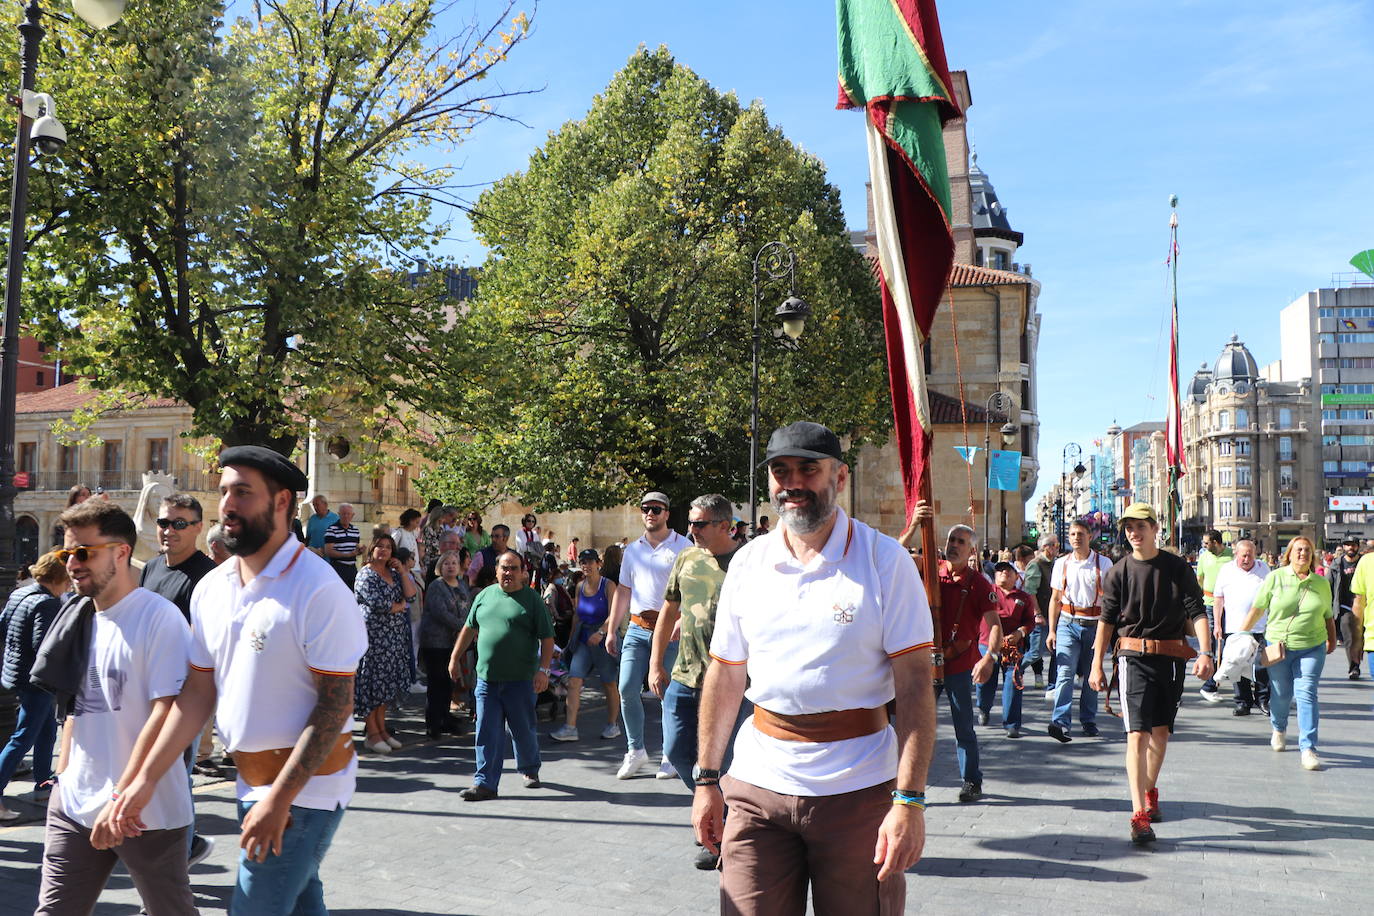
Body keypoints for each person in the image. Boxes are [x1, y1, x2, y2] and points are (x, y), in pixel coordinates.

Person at [110, 445, 367, 916]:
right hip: (250, 782)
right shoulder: (213, 587)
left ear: (283, 502)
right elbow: (197, 693)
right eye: (224, 490)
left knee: (254, 907)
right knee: (300, 902)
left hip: (308, 788)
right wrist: (145, 779)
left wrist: (278, 801)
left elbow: (335, 706)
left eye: (243, 493)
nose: (227, 504)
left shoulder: (320, 589)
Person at [693, 421, 935, 913]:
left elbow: (914, 687)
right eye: (780, 472)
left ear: (839, 478)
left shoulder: (885, 561)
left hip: (860, 792)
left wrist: (909, 801)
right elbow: (726, 673)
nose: (793, 483)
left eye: (808, 468)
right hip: (757, 788)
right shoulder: (747, 563)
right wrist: (706, 779)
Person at [35, 500, 196, 913]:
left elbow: (168, 714)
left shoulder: (159, 618)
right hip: (74, 804)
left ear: (121, 552)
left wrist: (123, 796)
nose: (72, 563)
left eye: (84, 552)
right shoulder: (79, 616)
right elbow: (75, 704)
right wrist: (62, 777)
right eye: (65, 553)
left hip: (146, 813)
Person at [1088, 502, 1213, 846]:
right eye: (1128, 527)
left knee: (1161, 734)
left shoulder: (1177, 568)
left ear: (1155, 528)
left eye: (1141, 525)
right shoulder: (1118, 572)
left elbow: (1197, 611)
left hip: (1172, 658)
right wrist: (1096, 663)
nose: (1134, 532)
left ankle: (1149, 790)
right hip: (1132, 657)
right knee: (1137, 735)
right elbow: (1106, 622)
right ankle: (1138, 813)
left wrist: (1205, 651)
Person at [649, 493, 750, 870]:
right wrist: (655, 663)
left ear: (726, 526)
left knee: (722, 764)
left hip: (731, 682)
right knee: (676, 752)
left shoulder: (747, 563)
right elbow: (669, 609)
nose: (691, 530)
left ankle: (720, 837)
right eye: (690, 522)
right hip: (685, 675)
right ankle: (715, 815)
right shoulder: (687, 557)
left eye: (700, 524)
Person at [138, 492, 219, 866]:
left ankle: (179, 857)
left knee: (175, 781)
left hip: (184, 698)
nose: (169, 530)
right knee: (159, 780)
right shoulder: (152, 568)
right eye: (164, 522)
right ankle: (186, 848)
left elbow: (206, 644)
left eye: (179, 524)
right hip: (146, 693)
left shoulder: (208, 577)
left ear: (199, 528)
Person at [448, 550, 554, 801]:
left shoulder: (532, 600)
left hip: (521, 680)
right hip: (487, 680)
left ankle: (529, 768)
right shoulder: (484, 595)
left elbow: (547, 639)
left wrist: (544, 670)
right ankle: (485, 783)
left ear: (522, 572)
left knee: (523, 730)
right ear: (496, 571)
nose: (508, 573)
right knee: (486, 730)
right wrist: (454, 658)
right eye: (504, 568)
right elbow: (469, 628)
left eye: (514, 568)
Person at [605, 491, 691, 780]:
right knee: (627, 687)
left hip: (670, 630)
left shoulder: (684, 546)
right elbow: (624, 589)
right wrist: (611, 628)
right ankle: (636, 751)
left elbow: (692, 590)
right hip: (638, 628)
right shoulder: (633, 550)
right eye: (645, 509)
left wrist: (683, 621)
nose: (650, 513)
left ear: (667, 513)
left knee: (667, 694)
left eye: (656, 509)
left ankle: (670, 754)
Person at [1242, 536, 1335, 771]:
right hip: (1279, 646)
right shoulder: (1275, 578)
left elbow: (1327, 615)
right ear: (1289, 554)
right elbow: (1258, 608)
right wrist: (1241, 634)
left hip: (1312, 646)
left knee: (1307, 694)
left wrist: (1332, 639)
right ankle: (1279, 727)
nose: (1303, 554)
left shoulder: (1321, 583)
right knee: (1281, 694)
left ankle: (1308, 748)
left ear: (1312, 555)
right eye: (1298, 550)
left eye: (1307, 550)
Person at [934, 524, 1002, 801]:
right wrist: (914, 524)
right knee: (913, 724)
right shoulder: (931, 571)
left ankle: (972, 780)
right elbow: (896, 556)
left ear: (971, 549)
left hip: (960, 664)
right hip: (928, 662)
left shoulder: (979, 583)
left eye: (961, 542)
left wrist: (990, 657)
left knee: (963, 725)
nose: (954, 545)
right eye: (951, 539)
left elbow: (994, 624)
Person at [0, 551, 68, 822]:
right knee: (23, 737)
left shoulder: (20, 594)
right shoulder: (47, 603)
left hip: (17, 673)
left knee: (46, 730)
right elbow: (44, 647)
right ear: (59, 578)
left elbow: (4, 626)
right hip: (37, 680)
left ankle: (42, 785)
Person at [1046, 521, 1113, 743]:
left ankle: (1088, 720)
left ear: (1090, 536)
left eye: (1081, 534)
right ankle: (1060, 722)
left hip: (1095, 625)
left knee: (1090, 676)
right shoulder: (1061, 563)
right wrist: (1051, 630)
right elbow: (1055, 599)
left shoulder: (1103, 563)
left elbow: (1112, 601)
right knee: (1065, 672)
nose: (1076, 537)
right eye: (1072, 534)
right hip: (1068, 623)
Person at [354, 534, 418, 754]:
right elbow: (378, 604)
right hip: (374, 638)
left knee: (384, 688)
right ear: (371, 549)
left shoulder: (393, 573)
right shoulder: (365, 574)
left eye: (388, 547)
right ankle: (372, 734)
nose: (383, 550)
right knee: (372, 687)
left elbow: (411, 596)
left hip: (393, 639)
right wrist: (398, 606)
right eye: (379, 546)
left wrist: (402, 571)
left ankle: (382, 730)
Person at [550, 548, 622, 743]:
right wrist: (569, 644)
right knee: (574, 681)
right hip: (583, 639)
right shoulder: (580, 586)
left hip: (603, 641)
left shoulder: (608, 585)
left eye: (590, 561)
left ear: (598, 563)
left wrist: (601, 633)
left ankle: (612, 724)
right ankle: (570, 727)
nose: (586, 565)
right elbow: (577, 616)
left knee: (609, 683)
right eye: (583, 561)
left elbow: (614, 614)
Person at [978, 562, 1038, 738]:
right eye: (1000, 570)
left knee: (1013, 681)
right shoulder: (987, 591)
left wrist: (1020, 633)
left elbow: (1030, 622)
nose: (1004, 572)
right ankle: (983, 708)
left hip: (1012, 646)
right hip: (987, 643)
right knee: (986, 680)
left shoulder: (1023, 597)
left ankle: (1012, 723)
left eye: (1008, 570)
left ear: (1016, 576)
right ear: (994, 576)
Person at [1212, 539, 1271, 715]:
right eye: (1244, 555)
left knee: (1261, 665)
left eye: (1250, 555)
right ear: (1236, 554)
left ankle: (1262, 699)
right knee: (1238, 665)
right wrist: (1217, 624)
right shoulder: (1226, 570)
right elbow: (1218, 599)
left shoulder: (1263, 569)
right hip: (1235, 626)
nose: (1247, 559)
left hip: (1259, 626)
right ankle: (1243, 702)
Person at [420, 550, 471, 739]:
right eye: (447, 563)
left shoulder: (463, 585)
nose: (451, 566)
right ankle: (433, 723)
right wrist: (464, 627)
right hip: (435, 641)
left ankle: (445, 719)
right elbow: (440, 613)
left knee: (449, 682)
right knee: (436, 682)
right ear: (440, 567)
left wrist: (465, 629)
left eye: (454, 563)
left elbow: (468, 608)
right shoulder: (436, 586)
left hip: (455, 641)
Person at [1195, 529, 1232, 701]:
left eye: (1206, 543)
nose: (1204, 546)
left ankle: (1219, 678)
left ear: (1216, 542)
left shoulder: (1231, 555)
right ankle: (1210, 683)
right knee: (1212, 643)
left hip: (1230, 604)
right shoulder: (1204, 557)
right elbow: (1199, 579)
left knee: (1229, 642)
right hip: (1210, 604)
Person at [1022, 535, 1058, 692]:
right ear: (1046, 547)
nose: (1058, 547)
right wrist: (1037, 613)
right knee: (1035, 653)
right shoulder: (1036, 564)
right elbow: (1030, 592)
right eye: (1055, 545)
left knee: (1057, 652)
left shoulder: (1054, 564)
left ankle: (1053, 686)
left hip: (1054, 615)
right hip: (1041, 615)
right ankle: (1015, 668)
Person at [1326, 536, 1364, 679]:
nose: (1350, 548)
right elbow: (1328, 585)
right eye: (1347, 545)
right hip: (1344, 606)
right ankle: (1354, 667)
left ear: (1357, 547)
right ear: (1343, 547)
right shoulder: (1337, 564)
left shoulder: (1363, 563)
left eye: (1353, 545)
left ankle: (1357, 662)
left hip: (1363, 605)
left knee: (1361, 637)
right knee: (1350, 636)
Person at [323, 502, 362, 588]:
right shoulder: (331, 530)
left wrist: (360, 551)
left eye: (348, 514)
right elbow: (328, 551)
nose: (346, 516)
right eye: (344, 514)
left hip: (352, 568)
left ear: (352, 515)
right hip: (338, 568)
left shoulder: (355, 530)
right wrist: (347, 555)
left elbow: (355, 549)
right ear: (339, 514)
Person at [466, 524, 512, 588]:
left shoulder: (514, 556)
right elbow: (470, 578)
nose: (493, 539)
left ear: (505, 538)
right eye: (492, 536)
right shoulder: (481, 556)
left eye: (497, 536)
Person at [393, 508, 423, 575]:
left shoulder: (413, 533)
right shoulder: (399, 533)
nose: (418, 525)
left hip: (416, 568)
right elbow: (392, 548)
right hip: (404, 569)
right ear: (410, 521)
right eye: (416, 522)